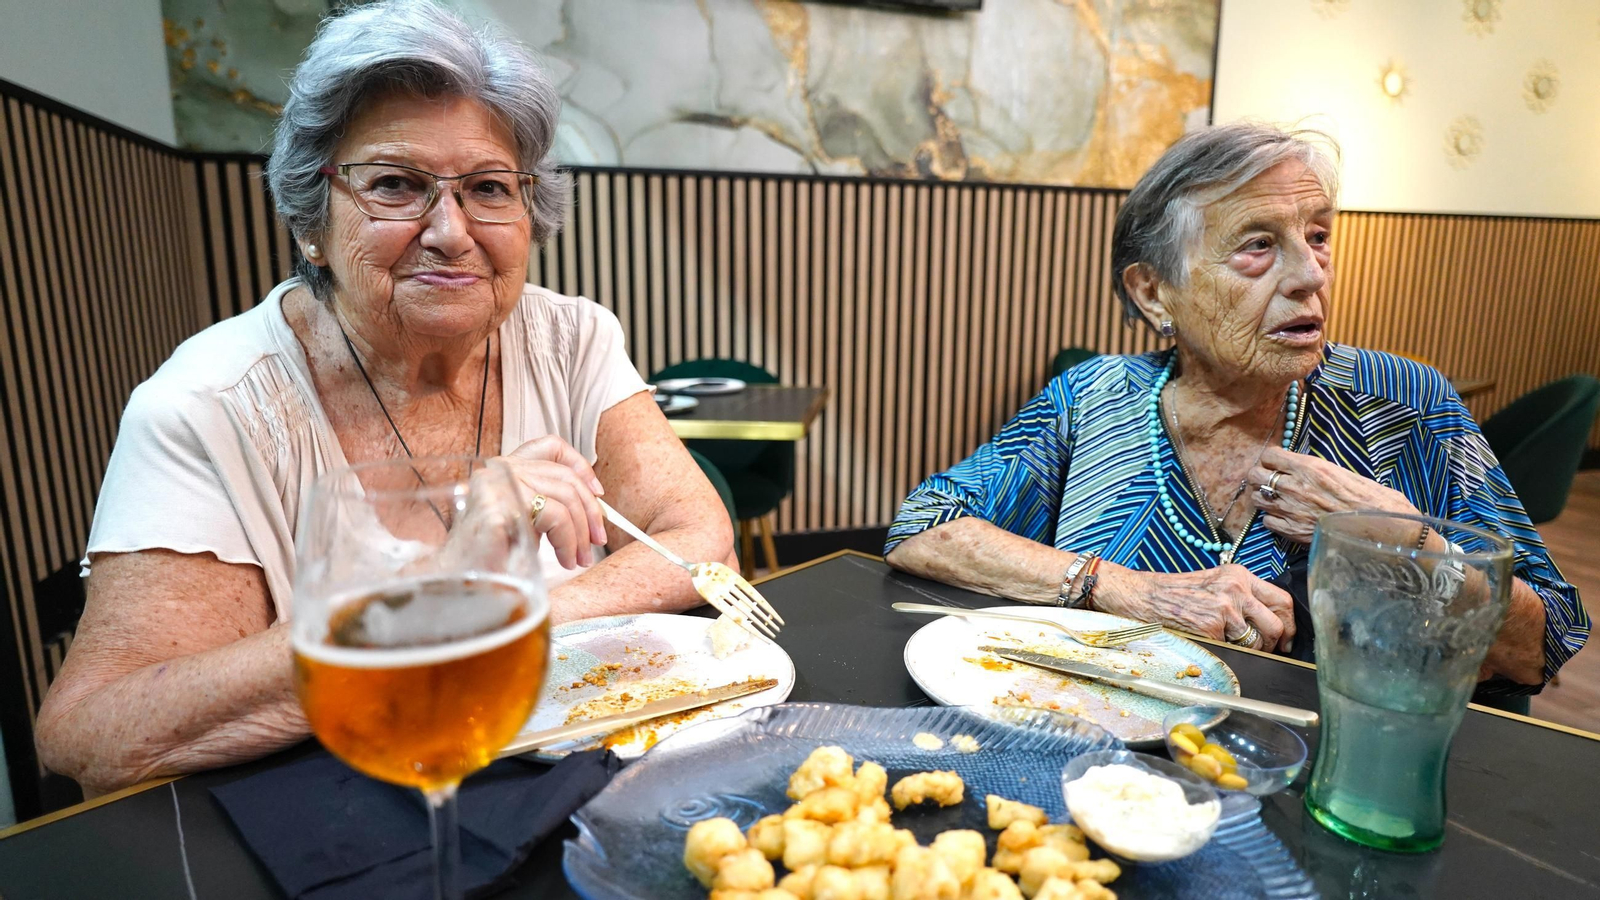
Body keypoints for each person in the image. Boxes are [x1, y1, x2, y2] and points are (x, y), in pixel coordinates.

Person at [35, 0, 734, 795]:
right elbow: (93, 730)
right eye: (397, 184)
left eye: (489, 187)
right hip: (333, 817)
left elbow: (700, 538)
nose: (450, 230)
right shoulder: (206, 406)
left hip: (555, 780)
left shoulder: (571, 337)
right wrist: (456, 582)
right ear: (311, 219)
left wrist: (504, 626)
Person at [886, 123, 1586, 703]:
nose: (1311, 274)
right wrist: (1127, 590)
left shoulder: (1403, 404)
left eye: (1317, 236)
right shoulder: (1093, 398)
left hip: (1327, 785)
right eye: (1259, 245)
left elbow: (1542, 645)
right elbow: (924, 529)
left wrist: (1402, 544)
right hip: (1105, 765)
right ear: (1154, 293)